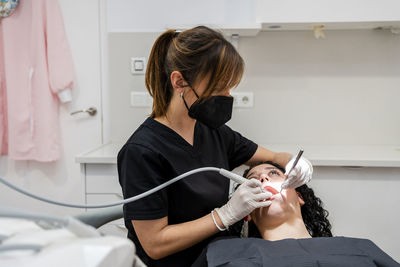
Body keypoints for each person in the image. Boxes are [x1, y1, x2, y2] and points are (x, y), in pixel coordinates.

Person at [117, 26, 313, 267]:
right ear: (179, 82)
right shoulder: (142, 152)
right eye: (219, 87)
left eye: (230, 86)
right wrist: (224, 216)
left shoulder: (213, 132)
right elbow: (155, 244)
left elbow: (273, 157)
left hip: (222, 256)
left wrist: (294, 162)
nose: (227, 95)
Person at [192, 161, 399, 267]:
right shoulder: (222, 252)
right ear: (247, 213)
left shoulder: (359, 248)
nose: (263, 178)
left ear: (299, 196)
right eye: (253, 180)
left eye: (273, 173)